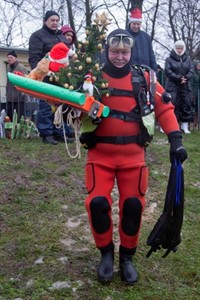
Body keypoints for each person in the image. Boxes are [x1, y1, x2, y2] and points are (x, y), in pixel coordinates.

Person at [79, 29, 187, 285]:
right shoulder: (90, 78)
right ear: (106, 50)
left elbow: (164, 107)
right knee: (96, 204)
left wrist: (176, 140)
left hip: (133, 158)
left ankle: (127, 257)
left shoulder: (145, 77)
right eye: (114, 51)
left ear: (131, 51)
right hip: (100, 156)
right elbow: (71, 105)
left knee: (133, 207)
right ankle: (106, 254)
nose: (119, 56)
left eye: (124, 52)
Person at [29, 10, 74, 145]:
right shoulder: (37, 36)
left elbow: (68, 54)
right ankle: (46, 133)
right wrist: (39, 74)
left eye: (57, 20)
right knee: (46, 106)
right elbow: (34, 57)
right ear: (45, 21)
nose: (55, 23)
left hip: (62, 77)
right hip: (46, 76)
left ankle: (60, 132)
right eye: (52, 20)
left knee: (61, 105)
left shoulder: (61, 36)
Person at [164, 40, 194, 134]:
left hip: (185, 85)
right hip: (172, 85)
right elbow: (168, 71)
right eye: (177, 48)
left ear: (184, 48)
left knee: (186, 104)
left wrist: (186, 78)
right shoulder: (169, 59)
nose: (179, 50)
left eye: (181, 48)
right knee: (171, 105)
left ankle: (184, 126)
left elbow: (191, 70)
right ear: (174, 48)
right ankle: (169, 125)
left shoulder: (188, 59)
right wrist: (178, 78)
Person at [127, 5, 157, 72]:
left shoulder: (146, 37)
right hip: (129, 71)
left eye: (138, 24)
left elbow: (151, 56)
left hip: (145, 71)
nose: (136, 26)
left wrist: (154, 72)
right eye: (134, 24)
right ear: (130, 23)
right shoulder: (125, 35)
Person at [6, 50, 29, 121]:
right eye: (8, 57)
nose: (9, 59)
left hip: (19, 96)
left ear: (15, 58)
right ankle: (9, 130)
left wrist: (23, 93)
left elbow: (26, 79)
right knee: (9, 115)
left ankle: (21, 129)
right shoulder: (8, 67)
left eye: (11, 57)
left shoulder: (21, 67)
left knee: (20, 115)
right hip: (10, 96)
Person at [191, 60, 200, 127]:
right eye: (198, 65)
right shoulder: (193, 73)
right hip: (194, 91)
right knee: (193, 107)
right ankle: (193, 122)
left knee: (198, 107)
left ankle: (196, 123)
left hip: (198, 91)